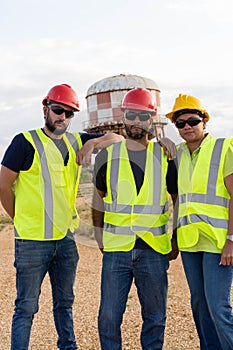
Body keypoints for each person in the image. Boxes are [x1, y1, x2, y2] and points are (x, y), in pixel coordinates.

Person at [0, 83, 124, 350]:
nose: (63, 118)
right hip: (32, 241)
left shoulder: (76, 140)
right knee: (26, 308)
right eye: (58, 110)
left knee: (65, 303)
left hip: (65, 241)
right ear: (45, 108)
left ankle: (68, 346)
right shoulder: (25, 142)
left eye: (69, 114)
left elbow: (119, 139)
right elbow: (3, 185)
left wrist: (94, 143)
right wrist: (19, 218)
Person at [92, 87, 179, 350]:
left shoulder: (164, 156)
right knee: (108, 317)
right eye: (132, 115)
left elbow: (177, 198)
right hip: (117, 249)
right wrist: (98, 236)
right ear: (123, 116)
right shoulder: (107, 156)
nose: (137, 122)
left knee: (155, 317)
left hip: (153, 249)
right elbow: (98, 199)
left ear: (152, 119)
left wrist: (175, 236)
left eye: (143, 116)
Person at [166, 93, 233, 350]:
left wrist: (231, 240)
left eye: (192, 120)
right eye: (180, 123)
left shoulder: (223, 147)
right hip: (190, 242)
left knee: (218, 307)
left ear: (204, 121)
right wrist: (174, 237)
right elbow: (178, 200)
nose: (186, 127)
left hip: (218, 242)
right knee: (200, 305)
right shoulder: (177, 155)